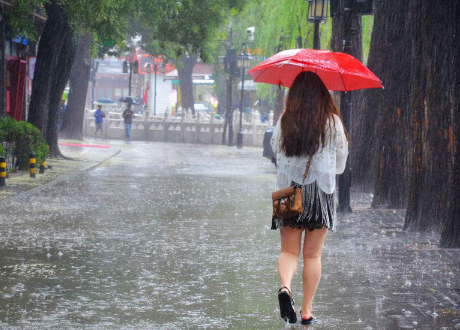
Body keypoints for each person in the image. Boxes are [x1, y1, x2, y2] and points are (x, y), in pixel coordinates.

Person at [270, 71, 348, 325]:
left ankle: (285, 288)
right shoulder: (332, 122)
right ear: (321, 94)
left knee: (288, 251)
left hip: (287, 191)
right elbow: (340, 163)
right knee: (312, 255)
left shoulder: (285, 120)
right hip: (320, 191)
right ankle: (306, 311)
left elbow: (275, 150)